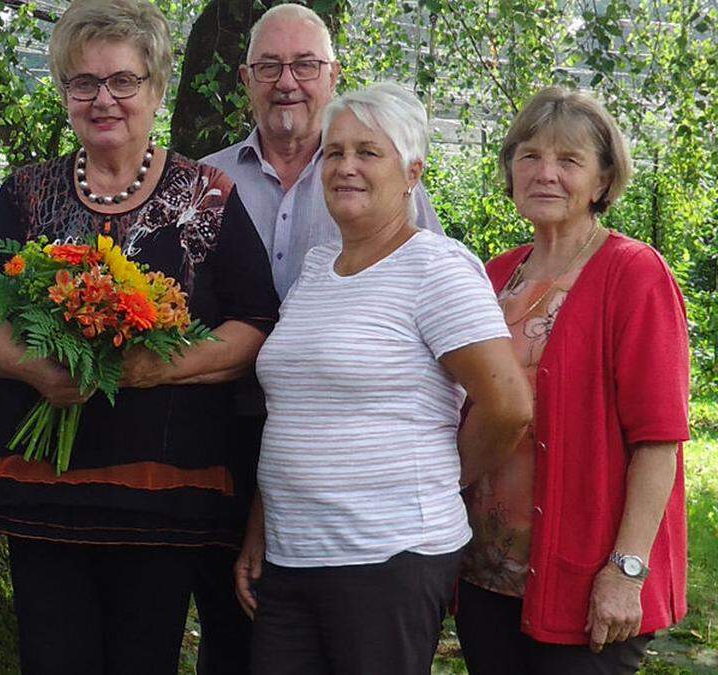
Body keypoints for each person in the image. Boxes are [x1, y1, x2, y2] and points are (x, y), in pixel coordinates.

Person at [0, 1, 279, 672]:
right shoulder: (28, 192)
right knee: (51, 657)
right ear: (66, 94)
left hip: (160, 496)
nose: (103, 98)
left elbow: (255, 323)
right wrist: (37, 368)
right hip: (44, 495)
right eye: (84, 83)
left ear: (155, 88)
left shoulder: (207, 195)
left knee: (144, 658)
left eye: (123, 81)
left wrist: (162, 367)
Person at [240, 82, 533, 674]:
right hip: (294, 554)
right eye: (335, 152)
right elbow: (293, 411)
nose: (345, 167)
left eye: (368, 152)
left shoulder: (438, 268)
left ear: (412, 172)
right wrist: (260, 525)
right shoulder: (319, 269)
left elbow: (508, 405)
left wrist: (442, 478)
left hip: (388, 556)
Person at [197, 7, 445, 670]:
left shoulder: (380, 177)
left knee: (343, 635)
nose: (288, 82)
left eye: (306, 65)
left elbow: (437, 320)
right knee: (234, 622)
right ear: (246, 77)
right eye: (270, 67)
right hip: (221, 429)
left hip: (354, 453)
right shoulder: (203, 182)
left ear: (333, 76)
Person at [455, 86, 690, 674]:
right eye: (529, 156)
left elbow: (659, 440)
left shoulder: (632, 273)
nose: (545, 173)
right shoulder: (494, 276)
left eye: (569, 160)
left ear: (603, 181)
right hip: (485, 576)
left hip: (586, 581)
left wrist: (627, 569)